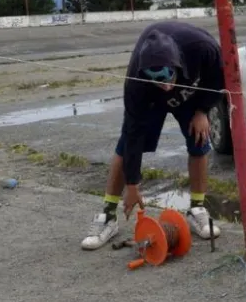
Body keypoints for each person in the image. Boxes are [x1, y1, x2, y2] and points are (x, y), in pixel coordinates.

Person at [81, 21, 226, 250]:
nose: (165, 86)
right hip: (149, 99)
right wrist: (132, 186)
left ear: (176, 65)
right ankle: (108, 216)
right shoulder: (136, 85)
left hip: (190, 90)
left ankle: (197, 208)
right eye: (156, 79)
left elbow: (218, 79)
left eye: (167, 77)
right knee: (125, 145)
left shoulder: (202, 48)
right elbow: (133, 136)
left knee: (199, 139)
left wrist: (202, 111)